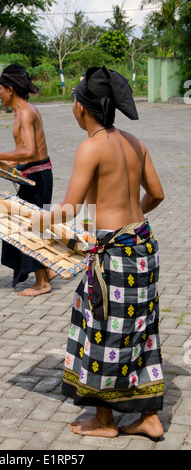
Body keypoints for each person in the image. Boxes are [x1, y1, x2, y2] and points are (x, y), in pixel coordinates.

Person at [31, 66, 165, 439]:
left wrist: (29, 220)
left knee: (101, 330)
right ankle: (149, 417)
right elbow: (156, 195)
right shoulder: (136, 142)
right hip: (143, 247)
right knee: (140, 328)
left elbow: (69, 209)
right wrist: (129, 221)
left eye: (74, 99)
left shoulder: (90, 147)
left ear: (82, 108)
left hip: (114, 257)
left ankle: (106, 421)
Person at [0, 64, 54, 296]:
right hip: (33, 173)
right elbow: (24, 152)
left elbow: (30, 150)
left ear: (10, 89)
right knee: (28, 225)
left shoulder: (24, 112)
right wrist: (9, 165)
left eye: (0, 89)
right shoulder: (23, 110)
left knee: (26, 227)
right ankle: (46, 270)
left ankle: (42, 282)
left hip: (37, 176)